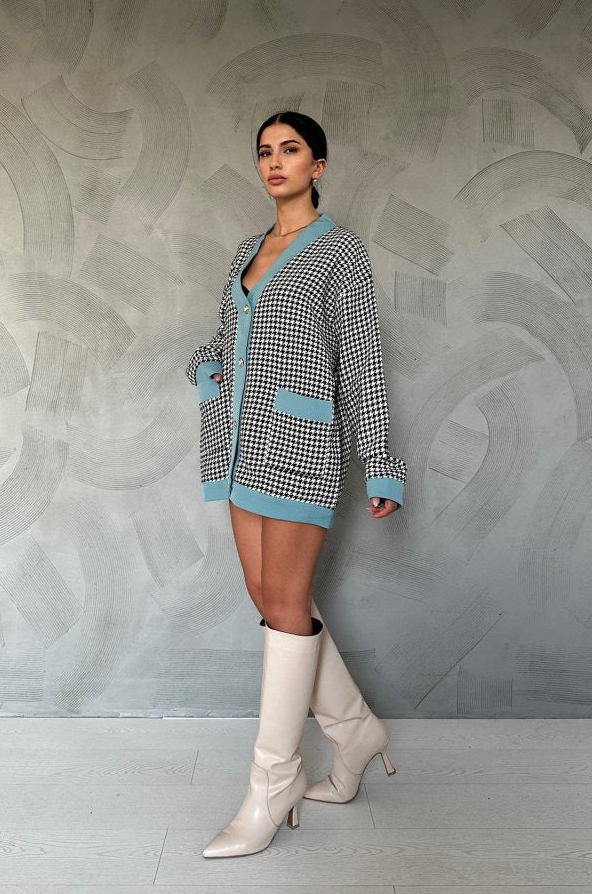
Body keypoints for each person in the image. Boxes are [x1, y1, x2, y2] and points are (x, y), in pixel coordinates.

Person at [185, 111, 407, 858]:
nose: (274, 162)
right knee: (272, 598)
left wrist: (381, 462)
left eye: (291, 150)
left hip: (300, 444)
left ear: (319, 166)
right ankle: (356, 732)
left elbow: (363, 361)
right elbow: (230, 335)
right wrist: (206, 368)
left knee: (285, 605)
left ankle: (272, 782)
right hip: (237, 446)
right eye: (264, 152)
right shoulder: (246, 250)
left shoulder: (340, 252)